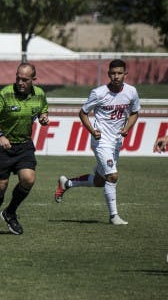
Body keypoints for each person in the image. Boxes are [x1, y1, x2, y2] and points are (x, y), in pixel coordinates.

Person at [54, 59, 140, 225]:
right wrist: (93, 131)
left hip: (116, 142)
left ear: (125, 74)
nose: (116, 76)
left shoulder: (131, 92)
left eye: (119, 73)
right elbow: (83, 112)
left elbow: (135, 112)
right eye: (113, 73)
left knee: (101, 181)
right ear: (108, 74)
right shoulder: (99, 93)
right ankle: (114, 216)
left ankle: (67, 183)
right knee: (112, 176)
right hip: (100, 141)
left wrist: (127, 127)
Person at [0, 62, 50, 235]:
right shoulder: (6, 93)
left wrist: (44, 117)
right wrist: (0, 136)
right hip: (2, 144)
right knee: (1, 186)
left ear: (33, 80)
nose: (20, 82)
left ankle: (10, 212)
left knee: (28, 179)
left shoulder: (39, 94)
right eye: (18, 78)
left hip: (24, 144)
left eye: (25, 80)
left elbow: (43, 109)